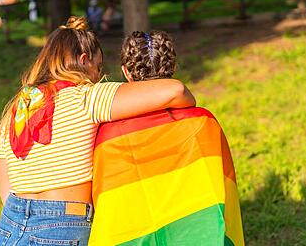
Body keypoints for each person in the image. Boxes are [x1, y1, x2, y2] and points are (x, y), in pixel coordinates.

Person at [0, 17, 196, 245]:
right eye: (98, 67)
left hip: (11, 222)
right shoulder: (87, 97)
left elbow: (5, 182)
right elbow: (175, 91)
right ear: (84, 60)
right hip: (61, 225)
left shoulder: (22, 106)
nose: (99, 76)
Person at [89, 31, 245, 246]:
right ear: (173, 67)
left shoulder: (108, 135)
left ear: (126, 72)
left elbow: (107, 202)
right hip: (195, 234)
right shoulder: (203, 122)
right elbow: (222, 189)